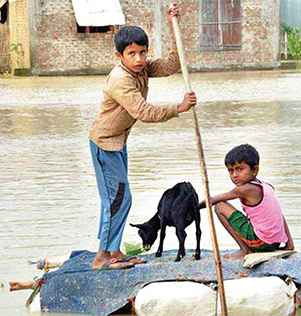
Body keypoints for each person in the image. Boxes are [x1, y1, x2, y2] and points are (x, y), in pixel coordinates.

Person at [88, 3, 197, 270]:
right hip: (105, 144)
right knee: (117, 199)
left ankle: (113, 251)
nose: (138, 59)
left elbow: (172, 64)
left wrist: (174, 25)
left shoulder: (142, 68)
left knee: (119, 198)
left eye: (142, 53)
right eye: (132, 54)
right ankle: (102, 256)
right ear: (119, 55)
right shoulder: (121, 80)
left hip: (118, 142)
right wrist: (179, 108)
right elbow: (144, 112)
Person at [199, 144, 294, 259]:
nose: (234, 175)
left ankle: (245, 249)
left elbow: (213, 200)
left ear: (254, 170)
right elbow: (280, 215)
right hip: (275, 242)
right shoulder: (267, 186)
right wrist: (289, 244)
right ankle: (288, 243)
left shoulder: (245, 189)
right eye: (230, 171)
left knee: (220, 207)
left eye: (240, 169)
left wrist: (194, 207)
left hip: (261, 241)